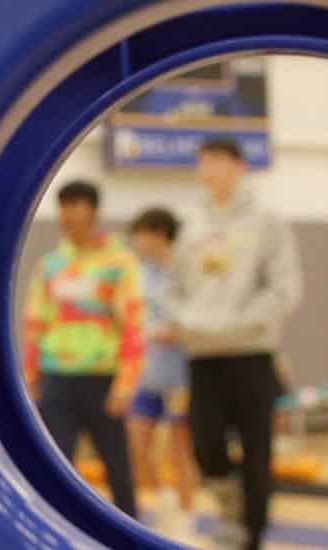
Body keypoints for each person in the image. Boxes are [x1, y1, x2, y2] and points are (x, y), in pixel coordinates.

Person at [164, 137, 303, 550]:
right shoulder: (189, 222)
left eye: (219, 161)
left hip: (252, 352)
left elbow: (284, 289)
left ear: (240, 167)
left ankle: (251, 537)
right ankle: (231, 508)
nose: (211, 169)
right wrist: (190, 323)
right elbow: (173, 288)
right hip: (203, 353)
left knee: (257, 449)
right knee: (206, 445)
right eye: (204, 161)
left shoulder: (268, 220)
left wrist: (235, 323)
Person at [22, 180, 146, 519]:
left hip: (102, 378)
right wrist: (32, 376)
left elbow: (134, 325)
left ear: (93, 212)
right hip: (56, 378)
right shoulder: (50, 266)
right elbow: (35, 323)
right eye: (63, 207)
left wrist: (125, 383)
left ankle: (129, 536)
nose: (69, 215)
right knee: (56, 466)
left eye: (76, 206)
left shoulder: (120, 262)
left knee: (117, 467)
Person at [123, 207, 197, 531]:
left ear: (158, 233)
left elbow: (199, 317)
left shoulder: (186, 269)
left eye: (140, 234)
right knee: (136, 445)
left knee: (181, 449)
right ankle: (165, 502)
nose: (136, 242)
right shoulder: (140, 273)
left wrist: (176, 330)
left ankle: (186, 517)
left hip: (181, 377)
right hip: (146, 375)